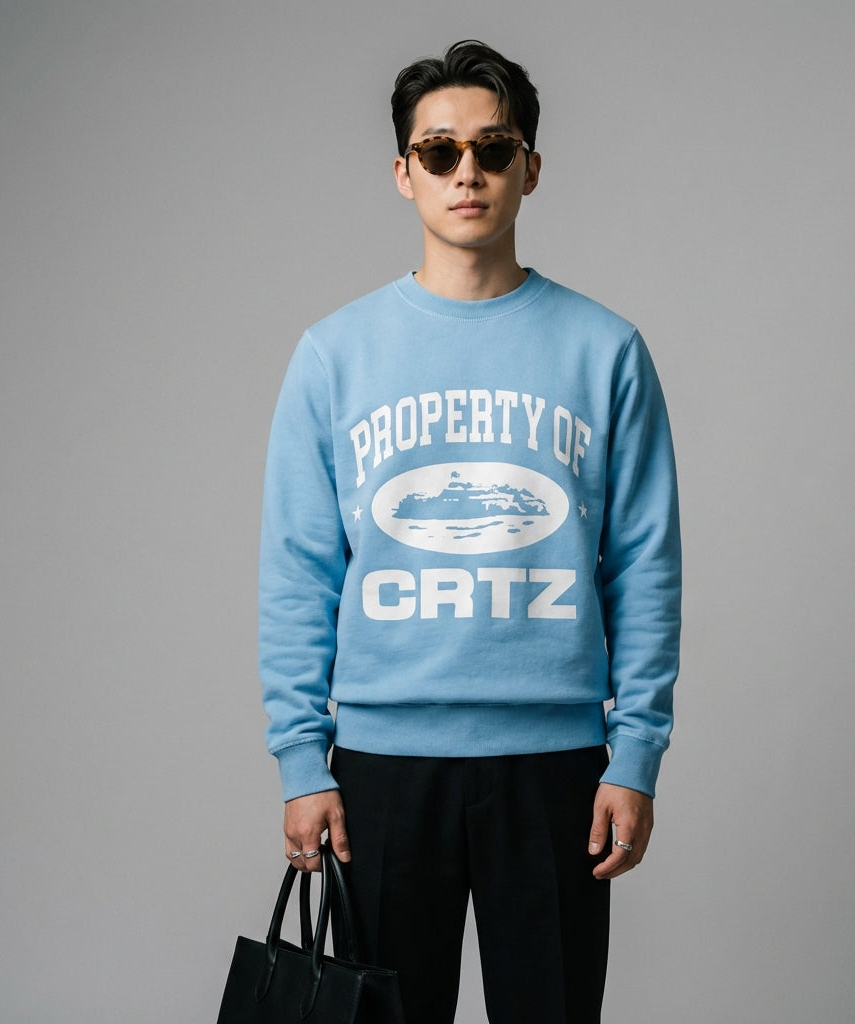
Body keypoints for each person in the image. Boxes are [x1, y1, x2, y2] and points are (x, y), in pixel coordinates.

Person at [258, 39, 681, 1024]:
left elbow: (644, 565)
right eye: (440, 151)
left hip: (557, 764)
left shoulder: (606, 350)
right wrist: (300, 761)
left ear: (530, 167)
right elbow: (299, 569)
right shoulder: (334, 356)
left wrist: (634, 754)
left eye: (492, 149)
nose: (467, 173)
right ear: (402, 172)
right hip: (380, 768)